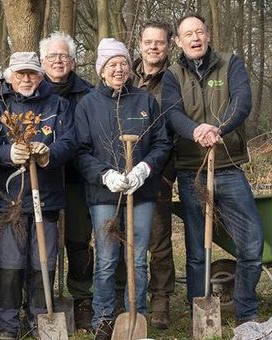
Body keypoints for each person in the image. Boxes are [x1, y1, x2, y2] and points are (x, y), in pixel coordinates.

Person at [161, 14, 263, 324]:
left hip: (228, 166)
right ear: (178, 41)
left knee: (252, 241)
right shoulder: (172, 75)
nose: (195, 38)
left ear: (208, 35)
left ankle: (246, 312)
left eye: (199, 32)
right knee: (196, 250)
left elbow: (242, 102)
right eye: (187, 34)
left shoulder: (230, 63)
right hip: (192, 172)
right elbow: (172, 113)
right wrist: (195, 131)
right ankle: (200, 315)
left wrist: (217, 128)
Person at [74, 38, 172, 339]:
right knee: (106, 259)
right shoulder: (88, 104)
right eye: (112, 64)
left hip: (140, 194)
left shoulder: (144, 101)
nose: (119, 69)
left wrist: (145, 169)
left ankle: (136, 314)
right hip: (104, 195)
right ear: (101, 70)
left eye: (123, 64)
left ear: (130, 68)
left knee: (137, 256)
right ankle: (103, 318)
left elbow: (162, 142)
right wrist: (105, 175)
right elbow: (81, 151)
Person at [0, 52, 76, 340]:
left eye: (31, 74)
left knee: (42, 263)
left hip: (45, 198)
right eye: (20, 74)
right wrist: (7, 153)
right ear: (10, 76)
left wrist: (50, 154)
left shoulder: (58, 105)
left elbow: (70, 141)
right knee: (10, 265)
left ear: (40, 76)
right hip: (9, 201)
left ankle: (39, 318)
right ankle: (8, 324)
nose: (26, 79)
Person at [38, 31, 97, 330]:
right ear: (42, 61)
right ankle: (41, 299)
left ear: (73, 62)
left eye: (63, 56)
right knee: (44, 242)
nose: (58, 61)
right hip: (42, 179)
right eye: (52, 57)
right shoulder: (32, 91)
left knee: (77, 239)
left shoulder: (87, 93)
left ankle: (82, 297)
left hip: (76, 178)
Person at [129, 21, 176, 330]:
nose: (154, 47)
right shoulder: (123, 74)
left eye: (159, 42)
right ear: (140, 44)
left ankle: (160, 301)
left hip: (160, 171)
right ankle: (129, 297)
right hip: (122, 169)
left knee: (158, 242)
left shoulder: (175, 79)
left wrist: (162, 171)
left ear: (168, 45)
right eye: (148, 42)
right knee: (126, 238)